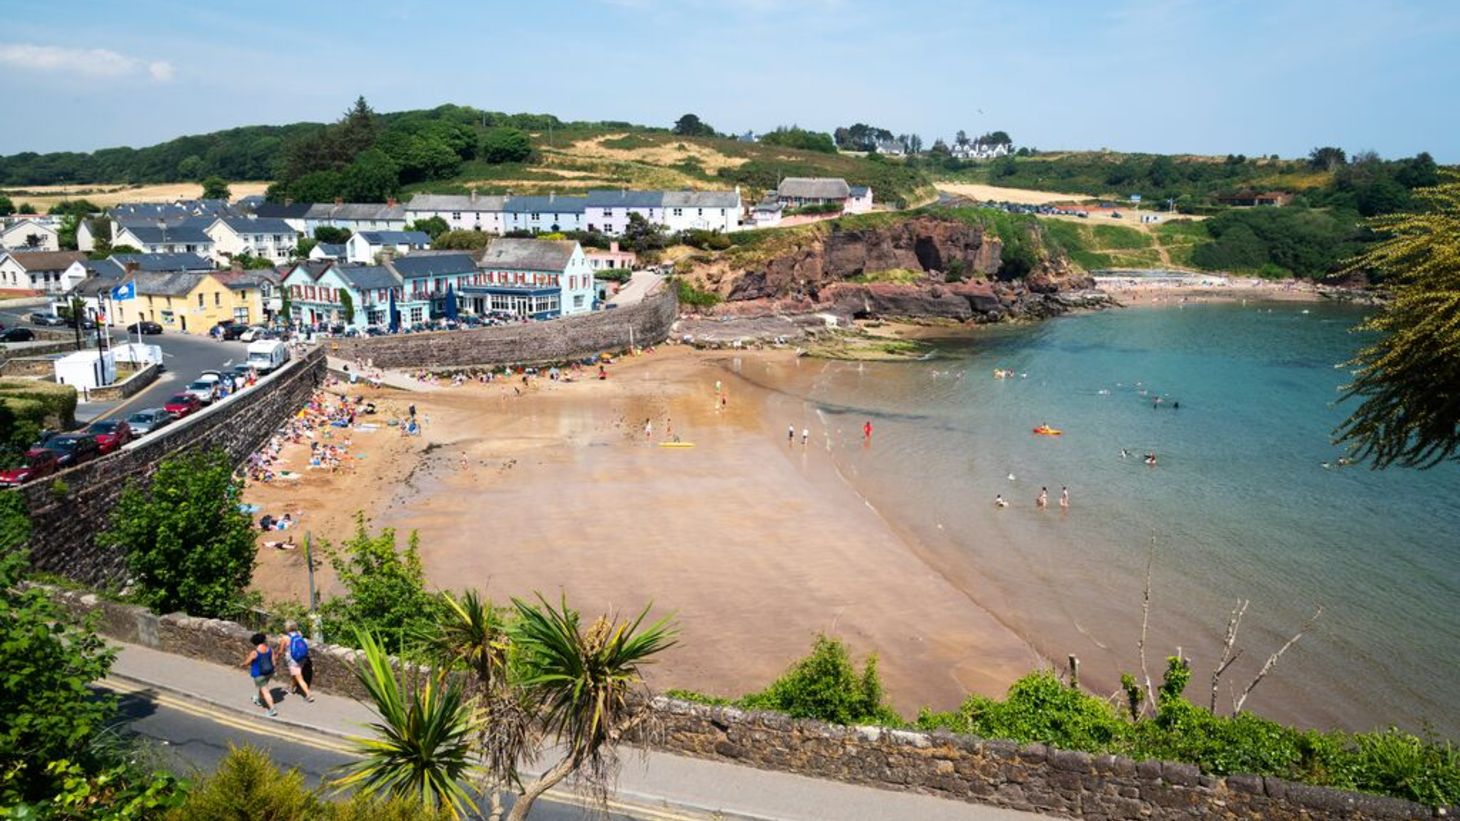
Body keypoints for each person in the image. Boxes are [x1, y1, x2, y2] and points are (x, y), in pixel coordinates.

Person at [278, 621, 315, 702]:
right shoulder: (299, 634)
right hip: (302, 658)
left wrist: (276, 657)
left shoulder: (285, 638)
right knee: (295, 674)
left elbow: (280, 651)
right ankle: (291, 689)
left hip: (293, 661)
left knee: (299, 677)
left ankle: (309, 695)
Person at [242, 632, 277, 717]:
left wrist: (242, 665)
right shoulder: (270, 650)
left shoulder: (255, 652)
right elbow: (274, 662)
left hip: (259, 675)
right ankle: (258, 699)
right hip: (268, 673)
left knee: (265, 691)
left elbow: (247, 663)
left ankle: (272, 709)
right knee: (262, 687)